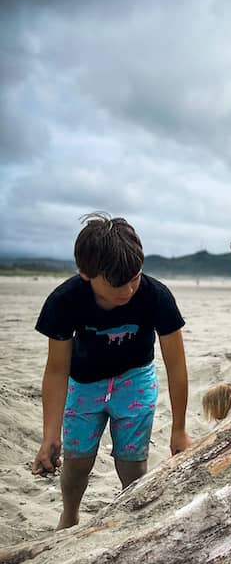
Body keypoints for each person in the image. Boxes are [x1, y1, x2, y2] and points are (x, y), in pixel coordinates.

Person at [32, 213, 192, 529]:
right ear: (85, 273)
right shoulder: (65, 301)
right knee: (77, 461)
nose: (129, 290)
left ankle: (132, 519)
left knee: (132, 463)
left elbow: (176, 364)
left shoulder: (156, 295)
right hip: (84, 384)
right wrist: (50, 434)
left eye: (135, 278)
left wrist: (179, 428)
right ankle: (70, 515)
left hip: (135, 380)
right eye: (117, 284)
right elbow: (56, 370)